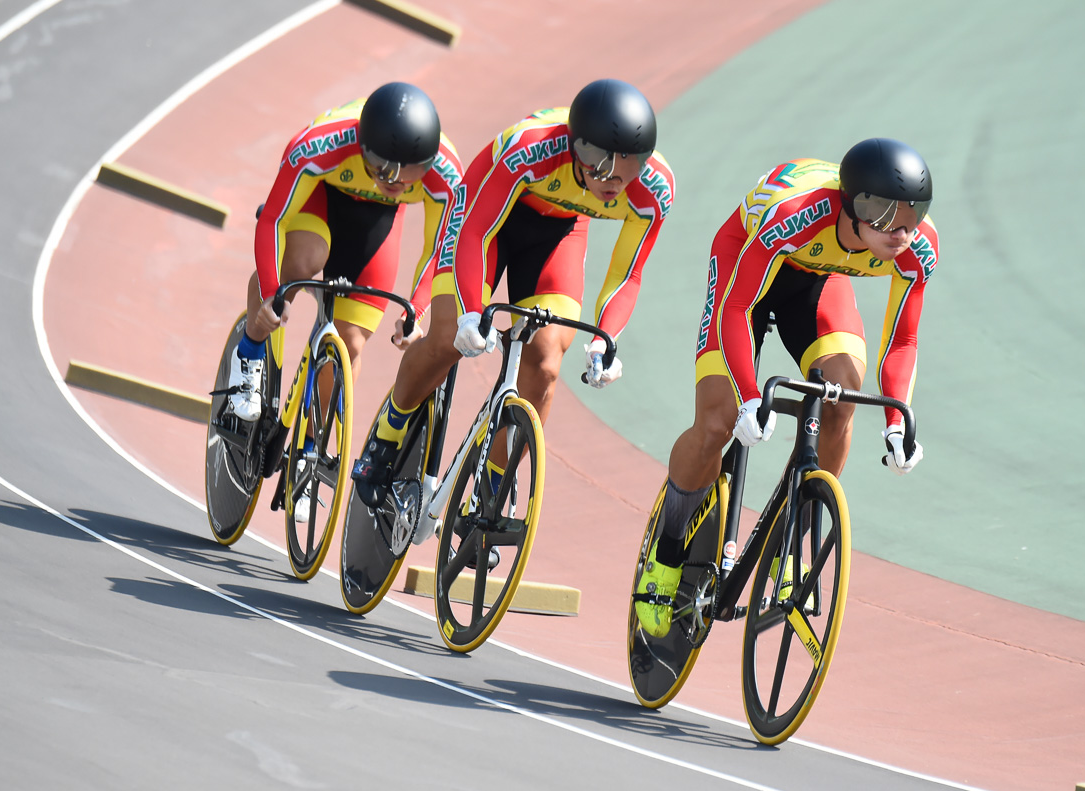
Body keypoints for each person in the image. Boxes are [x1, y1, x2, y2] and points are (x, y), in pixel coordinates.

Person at [634, 138, 938, 637]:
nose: (901, 231)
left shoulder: (916, 247)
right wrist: (752, 397)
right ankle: (665, 556)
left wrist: (895, 421)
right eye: (885, 215)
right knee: (718, 420)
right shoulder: (796, 217)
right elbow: (736, 309)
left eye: (913, 215)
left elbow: (903, 340)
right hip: (747, 268)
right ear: (853, 206)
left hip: (821, 277)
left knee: (843, 394)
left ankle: (793, 547)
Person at [350, 78, 676, 526]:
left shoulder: (653, 190)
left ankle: (490, 485)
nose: (616, 181)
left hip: (558, 233)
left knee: (545, 362)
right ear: (576, 149)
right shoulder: (530, 151)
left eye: (630, 167)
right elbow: (475, 233)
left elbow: (627, 274)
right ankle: (387, 435)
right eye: (602, 166)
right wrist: (469, 312)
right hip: (488, 221)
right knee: (449, 338)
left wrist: (607, 339)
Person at [223, 82, 463, 519]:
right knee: (303, 261)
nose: (397, 182)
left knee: (349, 345)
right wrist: (275, 292)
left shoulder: (446, 173)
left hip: (375, 228)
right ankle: (250, 351)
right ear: (363, 148)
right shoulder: (320, 144)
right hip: (320, 200)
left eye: (409, 175)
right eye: (384, 170)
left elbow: (439, 249)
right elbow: (273, 220)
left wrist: (417, 308)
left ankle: (310, 454)